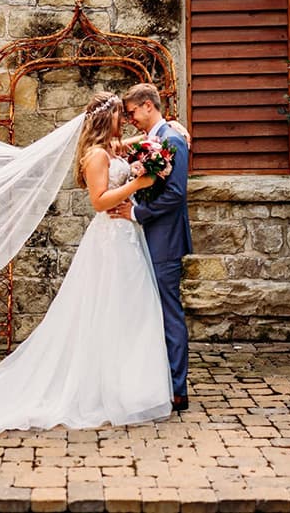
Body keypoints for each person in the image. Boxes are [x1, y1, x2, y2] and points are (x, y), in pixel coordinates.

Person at [0, 92, 175, 445]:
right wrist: (137, 184)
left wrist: (167, 131)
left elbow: (134, 143)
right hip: (111, 238)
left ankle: (127, 386)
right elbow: (99, 202)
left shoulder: (111, 148)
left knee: (129, 312)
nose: (124, 121)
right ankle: (105, 389)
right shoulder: (96, 156)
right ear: (106, 119)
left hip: (127, 238)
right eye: (118, 115)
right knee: (109, 310)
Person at [110, 83, 192, 411]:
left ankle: (177, 390)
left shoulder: (172, 141)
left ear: (147, 105)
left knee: (169, 312)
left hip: (165, 239)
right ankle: (159, 382)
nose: (132, 120)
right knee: (154, 310)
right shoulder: (160, 137)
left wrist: (136, 212)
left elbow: (175, 194)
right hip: (150, 237)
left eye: (132, 113)